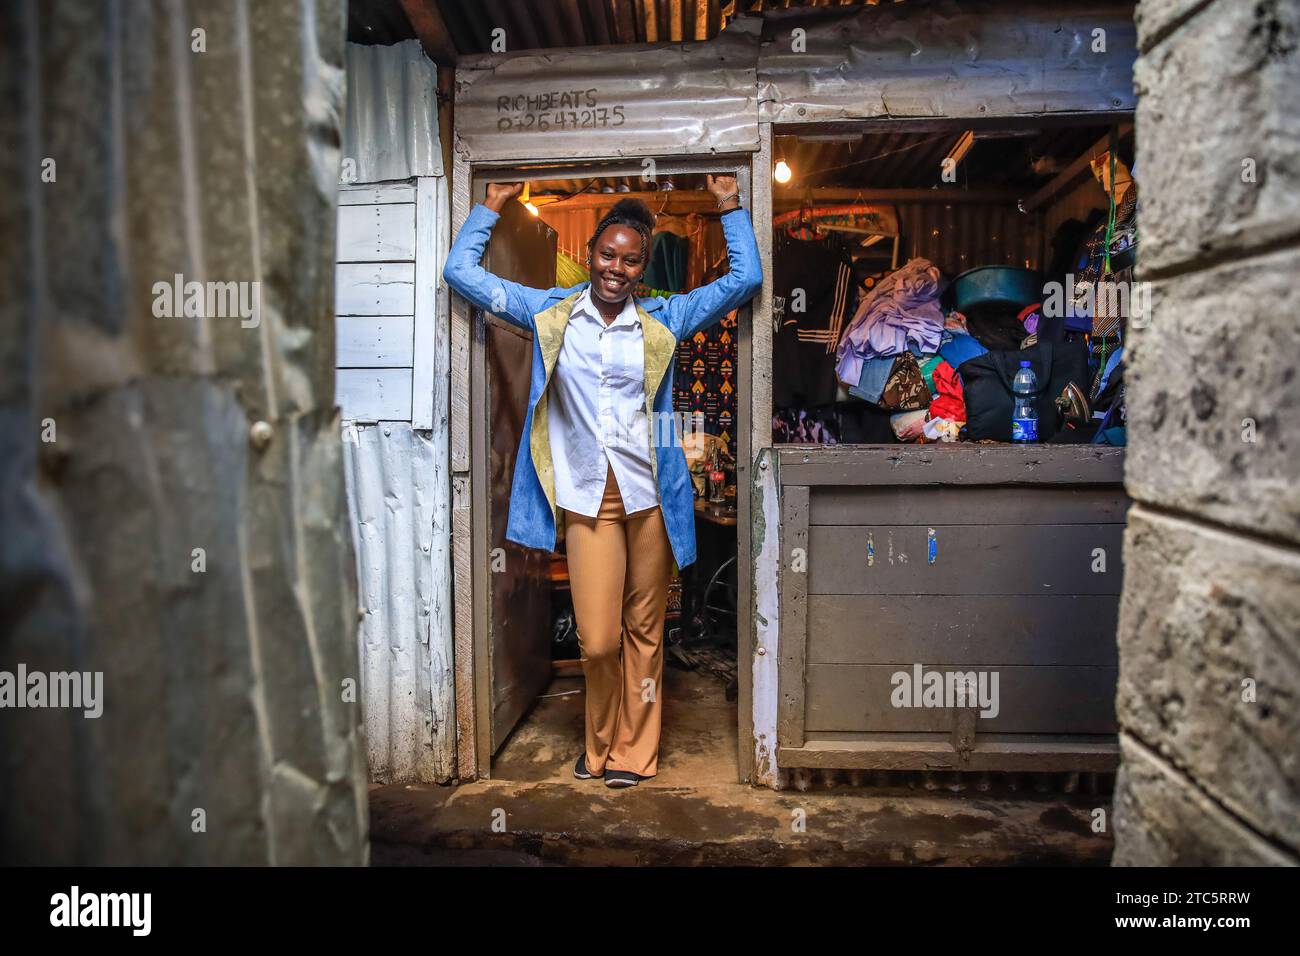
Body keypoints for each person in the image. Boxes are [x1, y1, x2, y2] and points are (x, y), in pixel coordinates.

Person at [443, 175, 762, 788]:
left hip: (651, 503)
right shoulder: (550, 314)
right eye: (607, 254)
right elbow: (463, 274)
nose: (617, 268)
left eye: (631, 259)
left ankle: (631, 754)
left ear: (643, 267)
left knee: (645, 630)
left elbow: (744, 281)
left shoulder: (664, 319)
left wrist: (729, 203)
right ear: (589, 254)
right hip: (590, 501)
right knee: (595, 640)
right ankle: (597, 743)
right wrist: (489, 207)